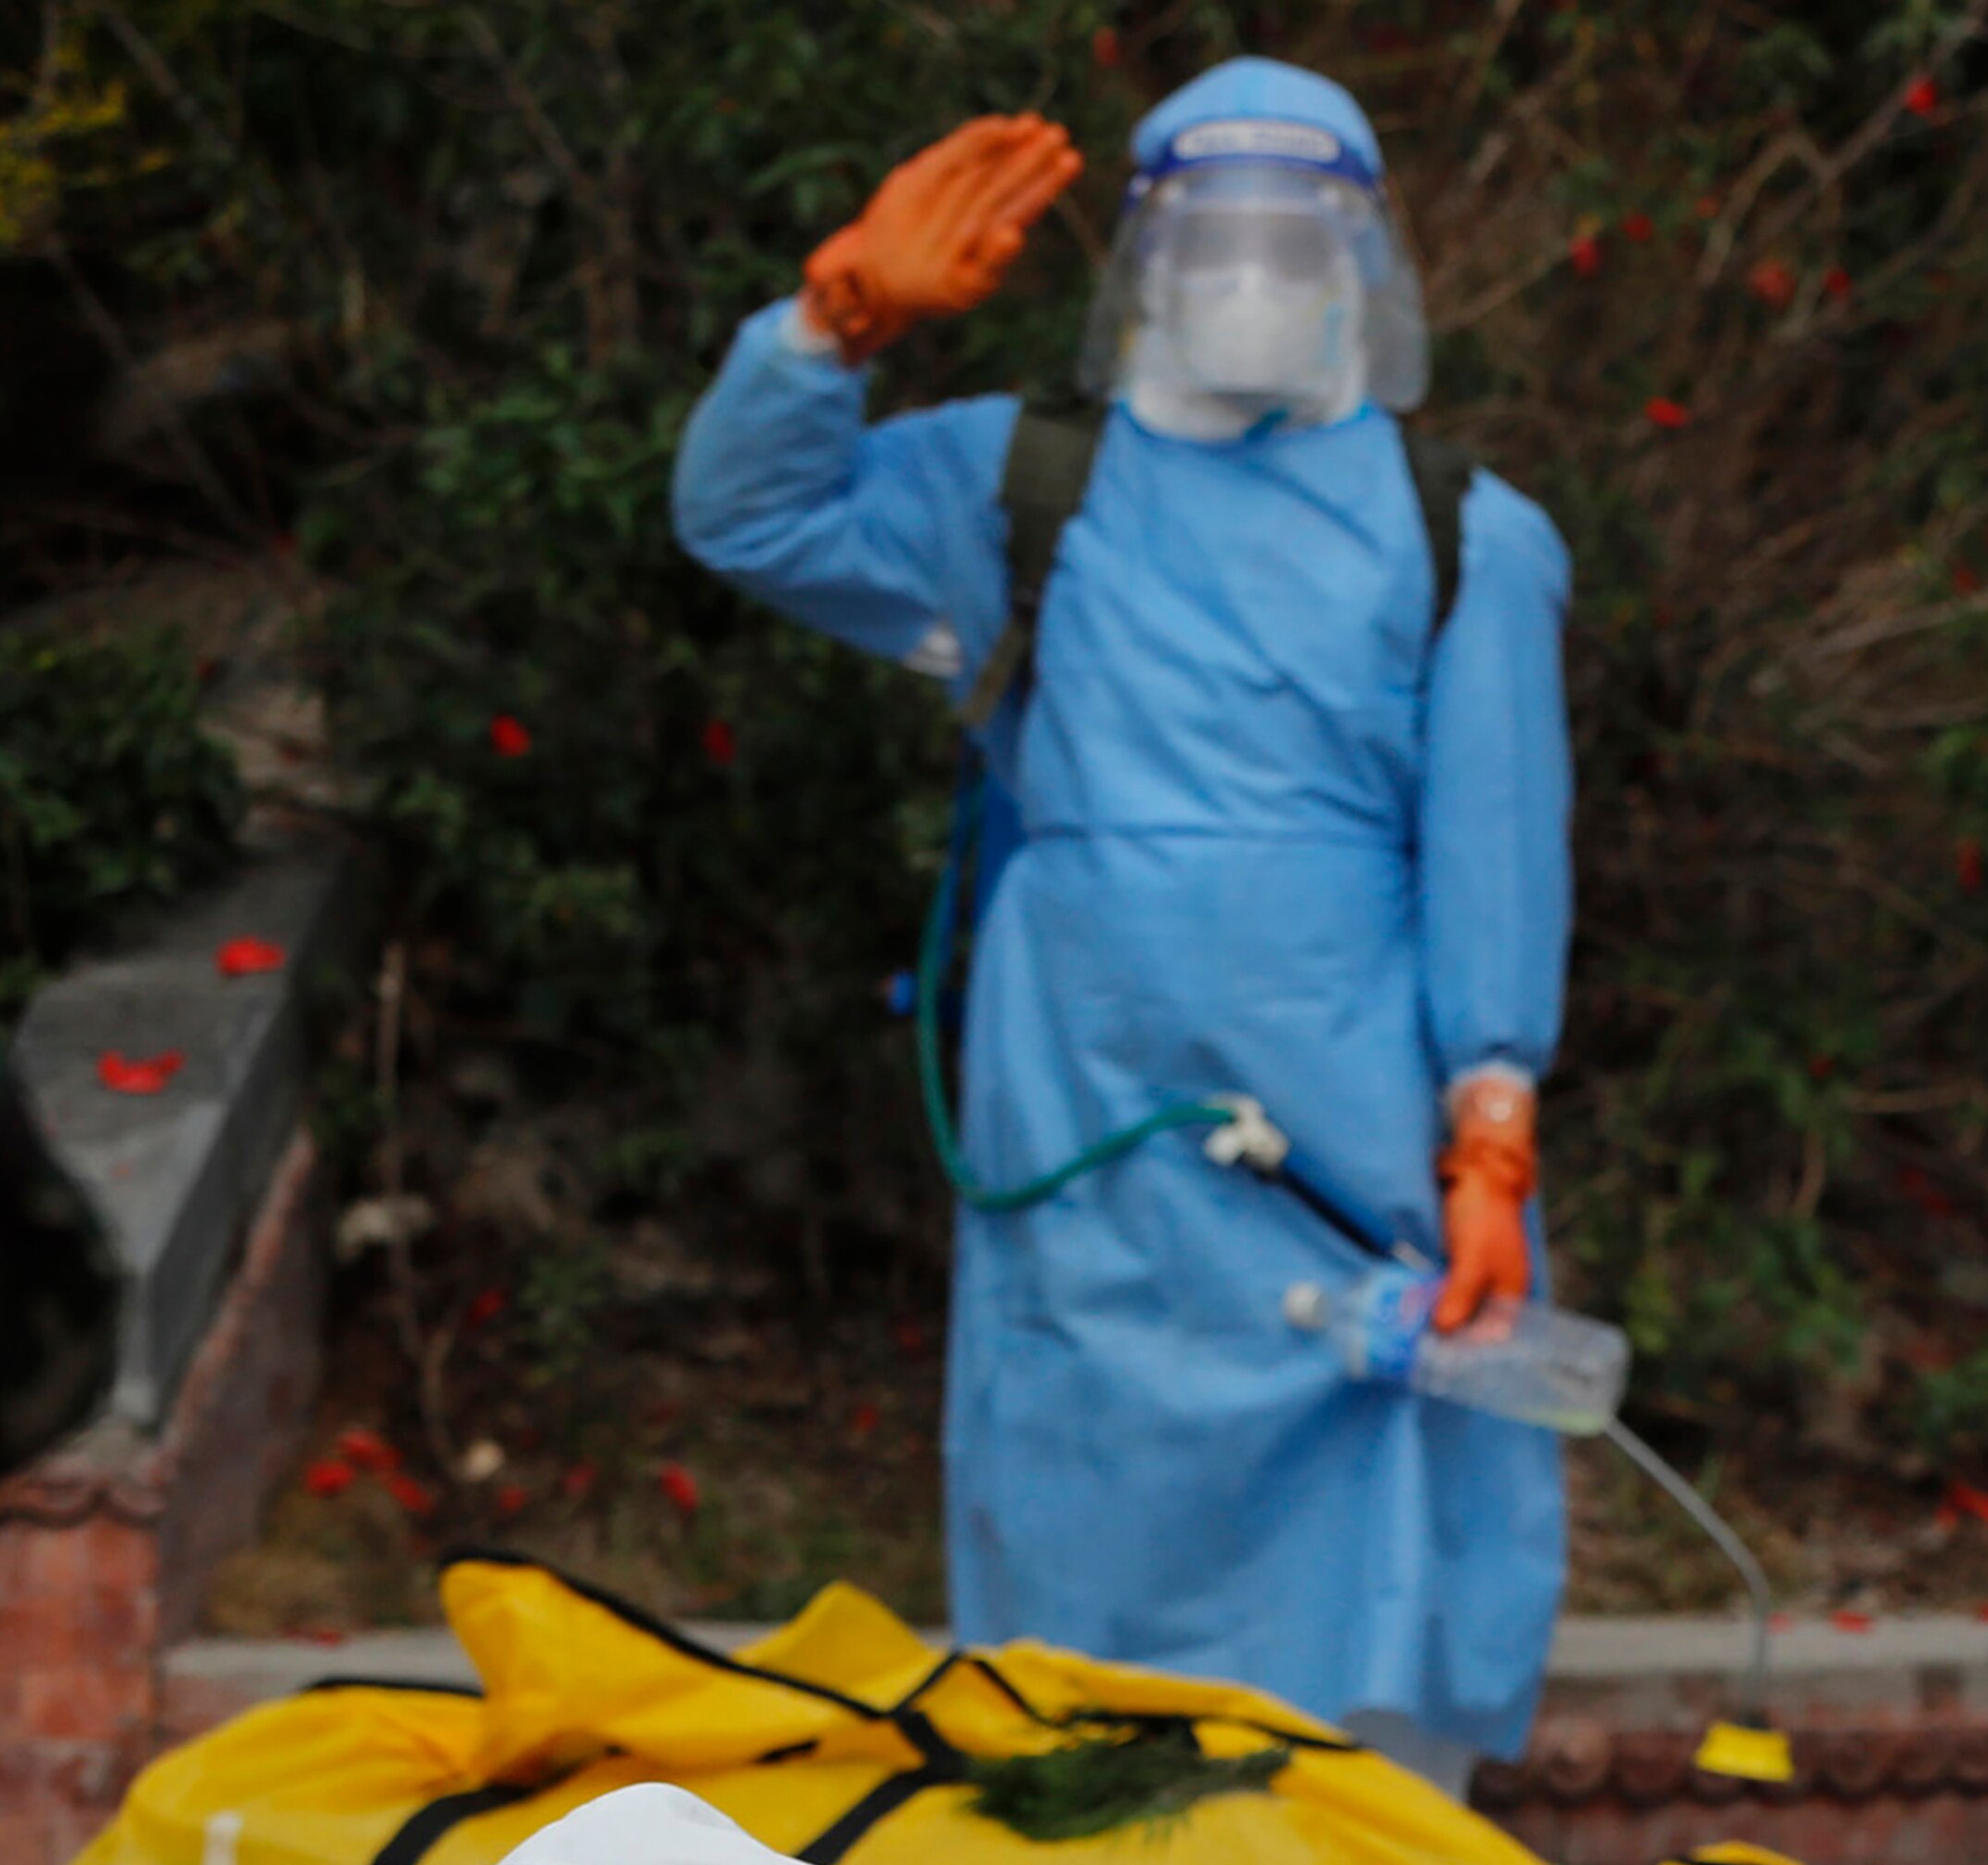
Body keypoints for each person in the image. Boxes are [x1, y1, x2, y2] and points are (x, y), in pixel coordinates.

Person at [674, 62, 1576, 1767]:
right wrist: (829, 328)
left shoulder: (1465, 534)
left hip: (1354, 1114)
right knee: (1074, 1492)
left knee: (1368, 1502)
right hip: (1084, 1103)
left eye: (1293, 237)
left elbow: (1498, 853)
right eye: (1210, 235)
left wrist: (1495, 1130)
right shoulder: (1022, 486)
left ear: (1361, 266)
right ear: (1144, 261)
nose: (1250, 274)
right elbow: (751, 515)